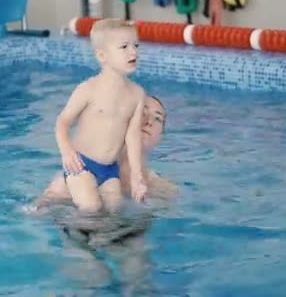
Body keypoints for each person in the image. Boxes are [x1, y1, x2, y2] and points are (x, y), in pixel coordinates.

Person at [55, 18, 147, 214]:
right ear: (102, 56)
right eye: (124, 47)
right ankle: (76, 240)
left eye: (136, 45)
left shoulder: (137, 94)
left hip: (109, 170)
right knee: (91, 207)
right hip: (82, 164)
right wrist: (66, 151)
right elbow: (63, 122)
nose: (133, 52)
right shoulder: (88, 89)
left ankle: (104, 241)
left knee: (115, 209)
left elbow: (132, 138)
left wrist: (137, 176)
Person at [28, 95, 177, 214]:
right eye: (142, 113)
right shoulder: (84, 170)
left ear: (160, 136)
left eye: (158, 118)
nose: (149, 121)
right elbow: (38, 210)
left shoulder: (162, 189)